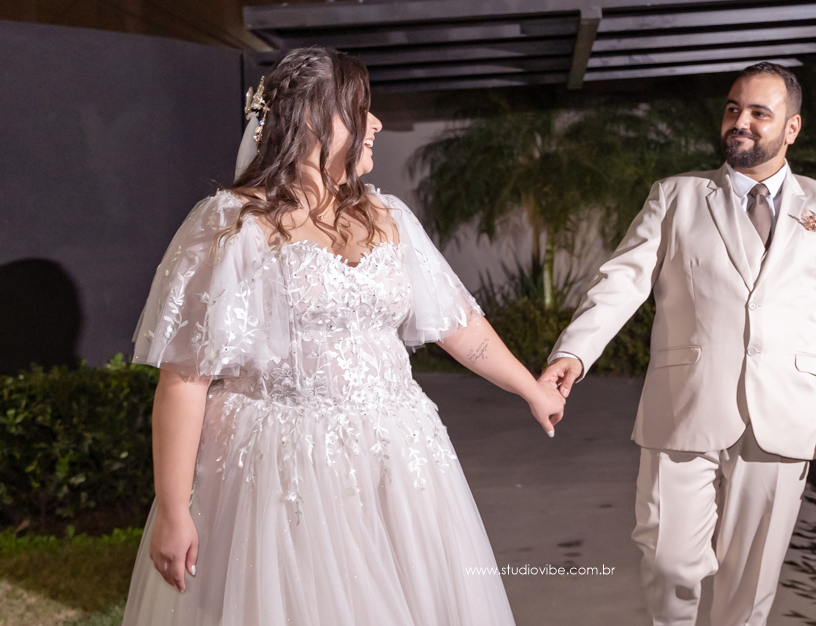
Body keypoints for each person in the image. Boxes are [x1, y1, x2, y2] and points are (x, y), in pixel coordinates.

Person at [122, 47, 565, 626]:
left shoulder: (388, 216)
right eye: (361, 109)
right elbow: (186, 377)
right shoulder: (232, 225)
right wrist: (173, 509)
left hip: (399, 457)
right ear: (311, 119)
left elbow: (457, 322)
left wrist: (530, 388)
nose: (376, 123)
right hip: (284, 467)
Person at [540, 62, 816, 626]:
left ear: (792, 128)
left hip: (782, 415)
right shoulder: (677, 196)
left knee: (750, 585)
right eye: (733, 108)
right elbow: (622, 281)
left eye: (759, 113)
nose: (740, 122)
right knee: (668, 562)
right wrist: (573, 351)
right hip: (684, 407)